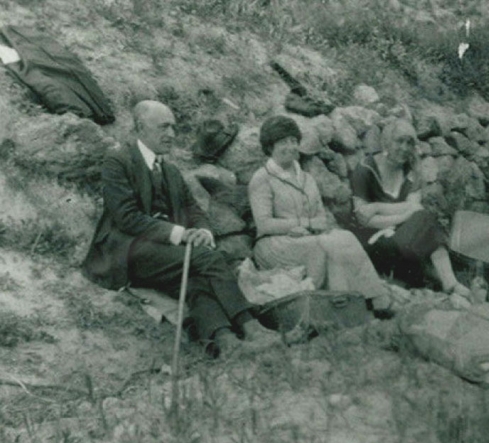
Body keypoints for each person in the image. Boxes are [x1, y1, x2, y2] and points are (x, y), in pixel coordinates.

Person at [82, 100, 275, 358]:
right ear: (141, 127)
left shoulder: (170, 170)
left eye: (173, 127)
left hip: (162, 251)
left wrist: (202, 231)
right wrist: (181, 234)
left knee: (195, 281)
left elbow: (192, 208)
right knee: (207, 258)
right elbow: (126, 217)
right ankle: (253, 329)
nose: (172, 134)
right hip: (128, 251)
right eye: (164, 127)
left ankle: (226, 341)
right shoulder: (118, 161)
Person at [248, 115, 397, 317]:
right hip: (274, 244)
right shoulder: (262, 178)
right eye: (283, 142)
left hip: (306, 236)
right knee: (327, 245)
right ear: (269, 147)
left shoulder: (307, 178)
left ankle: (373, 297)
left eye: (293, 141)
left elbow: (321, 218)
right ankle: (342, 302)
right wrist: (299, 226)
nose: (290, 147)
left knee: (345, 237)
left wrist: (308, 227)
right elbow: (264, 224)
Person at [349, 118, 470, 297]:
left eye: (409, 143)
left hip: (407, 240)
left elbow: (415, 208)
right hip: (375, 242)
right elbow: (364, 219)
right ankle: (448, 283)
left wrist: (376, 207)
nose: (405, 148)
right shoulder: (366, 169)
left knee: (425, 220)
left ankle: (447, 284)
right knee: (426, 221)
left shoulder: (411, 170)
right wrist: (404, 216)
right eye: (400, 141)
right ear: (387, 142)